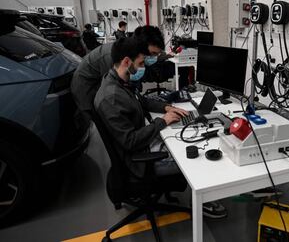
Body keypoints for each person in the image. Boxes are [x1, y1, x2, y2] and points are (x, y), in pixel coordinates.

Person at [94, 37, 227, 219]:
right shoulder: (112, 97)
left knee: (191, 133)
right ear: (127, 61)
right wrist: (162, 122)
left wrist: (166, 108)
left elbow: (143, 101)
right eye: (140, 62)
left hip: (143, 145)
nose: (143, 67)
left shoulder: (117, 81)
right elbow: (130, 141)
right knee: (201, 152)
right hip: (140, 161)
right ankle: (203, 203)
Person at [71, 25, 165, 120]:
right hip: (86, 87)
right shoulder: (113, 57)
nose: (154, 57)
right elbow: (113, 94)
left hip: (98, 82)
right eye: (153, 53)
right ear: (141, 47)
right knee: (98, 120)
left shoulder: (131, 52)